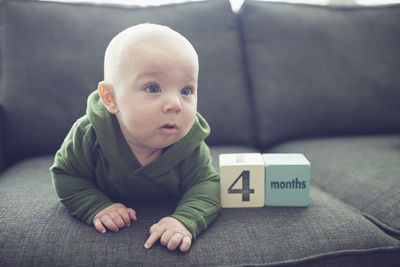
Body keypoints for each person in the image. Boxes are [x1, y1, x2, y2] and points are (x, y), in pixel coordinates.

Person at [50, 23, 220, 253]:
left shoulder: (189, 143)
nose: (175, 104)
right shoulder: (89, 134)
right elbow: (67, 175)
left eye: (186, 90)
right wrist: (96, 206)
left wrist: (184, 220)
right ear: (111, 98)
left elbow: (207, 186)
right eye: (153, 88)